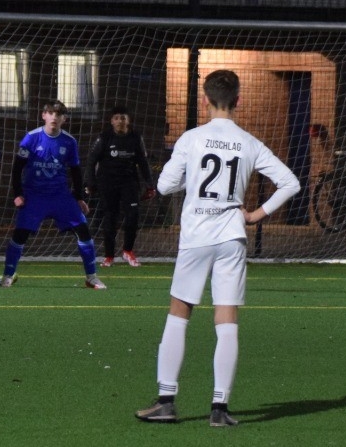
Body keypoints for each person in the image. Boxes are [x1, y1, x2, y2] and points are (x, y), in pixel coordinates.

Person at [135, 70, 300, 428]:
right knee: (226, 321)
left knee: (179, 314)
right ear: (238, 100)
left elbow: (164, 186)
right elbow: (290, 183)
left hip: (197, 237)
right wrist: (255, 215)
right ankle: (219, 409)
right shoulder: (249, 143)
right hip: (231, 238)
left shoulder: (192, 139)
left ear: (205, 100)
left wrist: (190, 179)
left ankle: (166, 402)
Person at [1, 100, 105, 289]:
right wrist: (18, 194)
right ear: (44, 116)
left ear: (64, 119)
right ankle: (8, 275)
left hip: (60, 196)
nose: (54, 117)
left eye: (58, 114)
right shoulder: (31, 138)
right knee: (20, 234)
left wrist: (79, 197)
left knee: (83, 230)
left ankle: (91, 277)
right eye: (50, 113)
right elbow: (17, 168)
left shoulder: (69, 141)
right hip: (34, 196)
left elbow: (75, 171)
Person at [84, 103, 153, 268]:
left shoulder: (136, 137)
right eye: (116, 118)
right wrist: (90, 183)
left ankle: (128, 251)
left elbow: (143, 162)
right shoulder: (104, 137)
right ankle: (109, 256)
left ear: (128, 120)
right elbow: (92, 160)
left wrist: (150, 184)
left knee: (133, 215)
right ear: (112, 121)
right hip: (107, 182)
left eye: (123, 118)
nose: (120, 121)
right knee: (110, 217)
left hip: (129, 182)